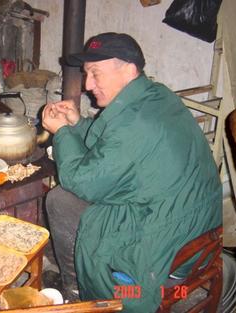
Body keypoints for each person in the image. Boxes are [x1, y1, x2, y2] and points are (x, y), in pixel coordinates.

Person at [42, 32, 222, 311]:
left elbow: (81, 180)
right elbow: (115, 145)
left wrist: (62, 133)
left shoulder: (136, 121)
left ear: (128, 68)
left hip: (170, 248)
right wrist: (76, 124)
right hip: (197, 225)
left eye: (95, 73)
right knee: (72, 198)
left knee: (61, 200)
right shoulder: (155, 95)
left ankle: (79, 291)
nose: (88, 85)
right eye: (87, 74)